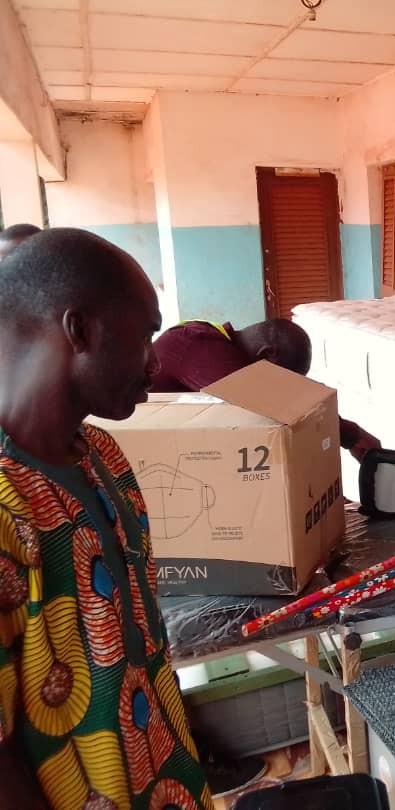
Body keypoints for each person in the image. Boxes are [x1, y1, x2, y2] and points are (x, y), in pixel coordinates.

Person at [0, 229, 211, 808]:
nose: (155, 361)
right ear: (81, 330)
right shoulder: (4, 505)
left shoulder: (102, 456)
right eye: (145, 334)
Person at [151, 318, 381, 459]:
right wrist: (351, 435)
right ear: (267, 354)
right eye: (281, 377)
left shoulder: (217, 345)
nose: (280, 386)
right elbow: (275, 401)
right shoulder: (198, 344)